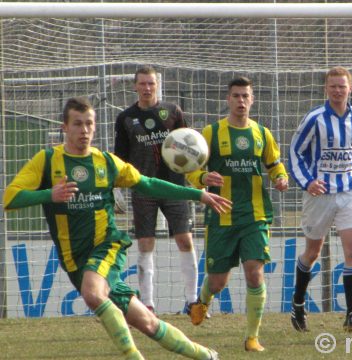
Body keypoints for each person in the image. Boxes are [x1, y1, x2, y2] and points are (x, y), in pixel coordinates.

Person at [3, 97, 232, 360]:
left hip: (106, 246)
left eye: (89, 124)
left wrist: (198, 195)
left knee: (92, 293)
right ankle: (206, 355)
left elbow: (147, 184)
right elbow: (10, 198)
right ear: (64, 127)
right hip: (75, 259)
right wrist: (48, 195)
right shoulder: (46, 161)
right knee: (147, 322)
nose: (85, 130)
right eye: (77, 124)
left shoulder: (107, 162)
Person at [186, 77, 288, 352]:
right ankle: (203, 299)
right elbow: (190, 170)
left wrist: (280, 178)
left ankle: (252, 337)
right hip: (221, 215)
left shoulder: (262, 133)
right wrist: (204, 176)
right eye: (236, 96)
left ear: (252, 100)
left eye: (245, 96)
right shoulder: (211, 133)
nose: (241, 101)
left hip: (255, 216)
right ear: (228, 99)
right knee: (219, 281)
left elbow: (275, 165)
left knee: (255, 274)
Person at [288, 66, 352, 333]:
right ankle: (298, 302)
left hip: (350, 192)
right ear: (326, 89)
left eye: (342, 86)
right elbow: (295, 152)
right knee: (313, 253)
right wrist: (308, 181)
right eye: (333, 86)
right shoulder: (315, 118)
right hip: (320, 195)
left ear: (350, 88)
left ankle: (351, 313)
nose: (338, 91)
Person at [114, 66, 199, 315]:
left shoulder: (173, 111)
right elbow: (120, 156)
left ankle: (193, 301)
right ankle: (148, 304)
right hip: (143, 188)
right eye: (142, 84)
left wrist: (196, 176)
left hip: (174, 186)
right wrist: (118, 186)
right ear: (135, 86)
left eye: (151, 83)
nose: (147, 88)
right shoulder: (126, 118)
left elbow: (189, 145)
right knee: (145, 243)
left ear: (157, 85)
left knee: (185, 239)